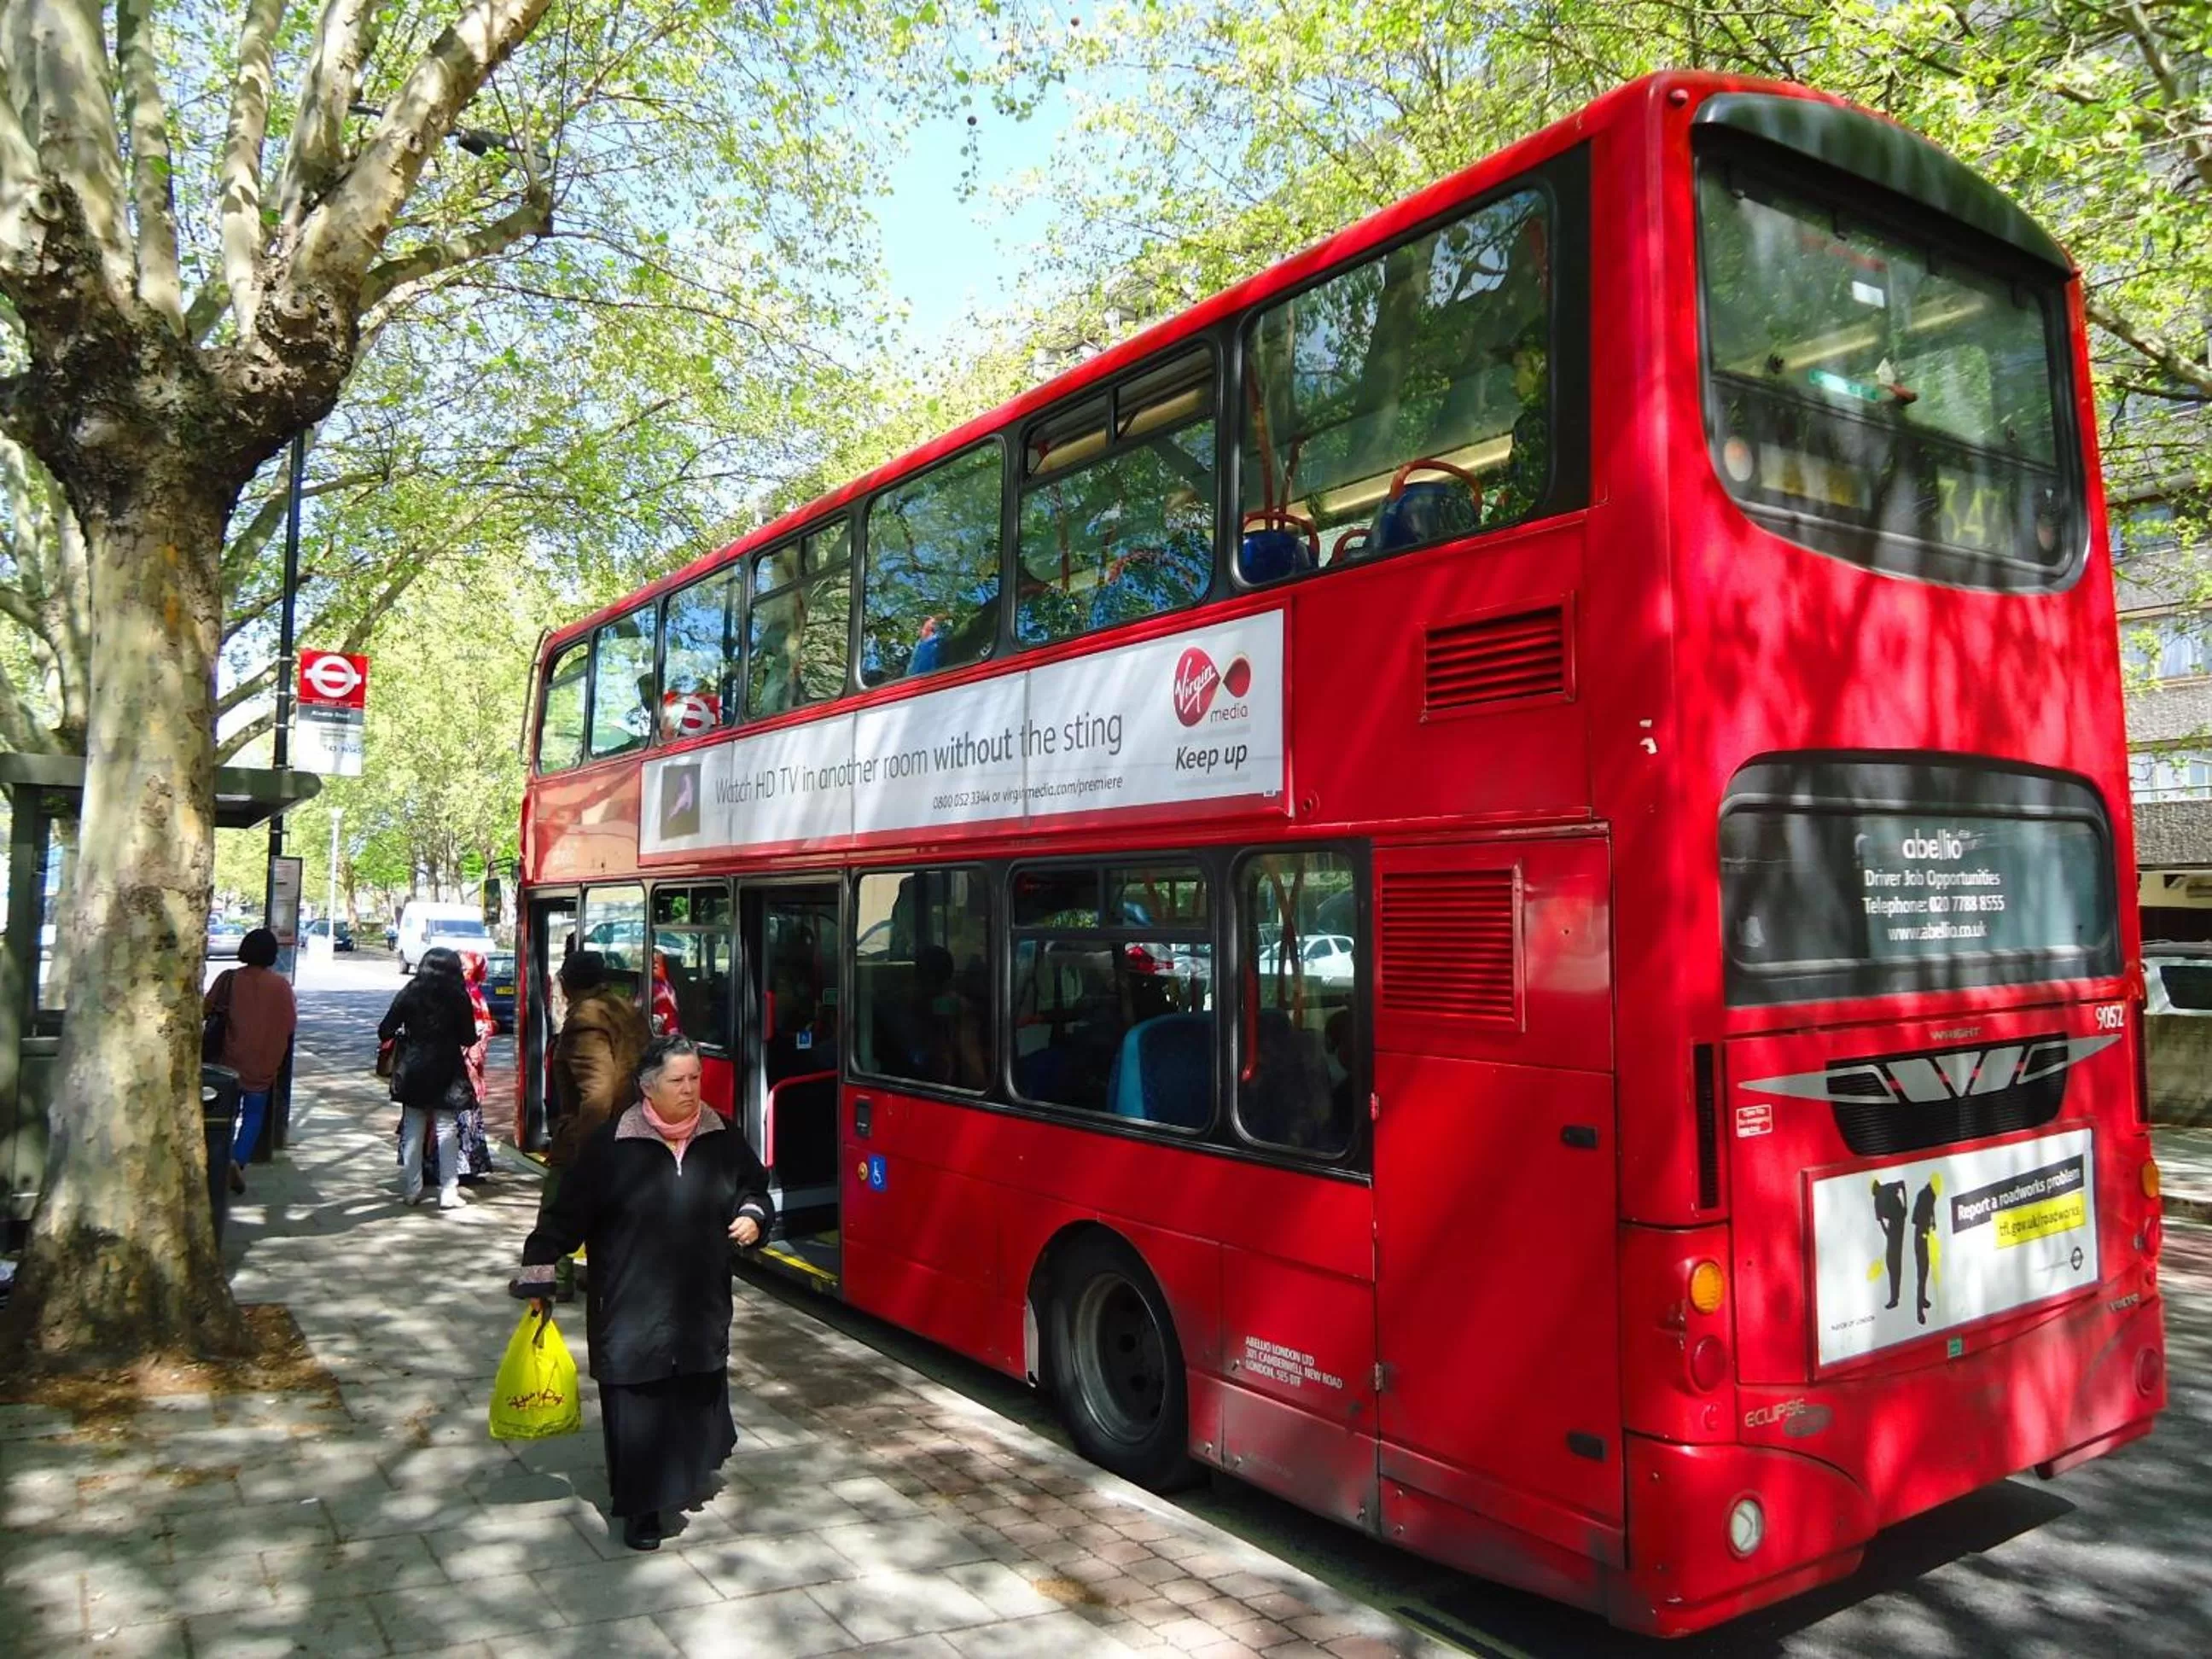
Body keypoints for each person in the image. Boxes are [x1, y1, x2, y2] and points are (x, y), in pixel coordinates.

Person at [512, 1035, 772, 1551]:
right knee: (637, 1402)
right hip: (629, 1301)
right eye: (678, 1080)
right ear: (648, 1088)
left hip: (699, 1297)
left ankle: (680, 1477)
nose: (691, 1089)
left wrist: (752, 1217)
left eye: (696, 1077)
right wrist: (540, 1269)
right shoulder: (612, 1146)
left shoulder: (721, 1136)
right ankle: (641, 1508)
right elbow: (565, 1215)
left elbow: (753, 1186)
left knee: (693, 1389)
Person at [378, 946, 479, 1209]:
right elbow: (469, 1037)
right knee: (447, 1129)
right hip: (447, 1069)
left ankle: (412, 1190)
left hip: (413, 1069)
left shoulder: (411, 991)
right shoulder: (458, 996)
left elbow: (385, 1029)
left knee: (413, 1128)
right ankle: (448, 1191)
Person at [204, 928, 296, 1194]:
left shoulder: (229, 979)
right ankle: (238, 1159)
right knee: (254, 1116)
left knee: (226, 1116)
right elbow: (289, 1025)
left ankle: (221, 1161)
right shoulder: (281, 986)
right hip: (263, 1063)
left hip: (228, 1060)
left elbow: (206, 1008)